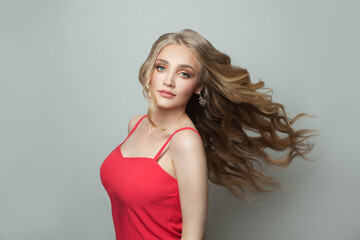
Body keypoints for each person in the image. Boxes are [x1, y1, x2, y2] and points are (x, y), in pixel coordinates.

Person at [100, 29, 316, 240]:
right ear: (150, 72)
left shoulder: (185, 142)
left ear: (198, 86)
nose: (169, 81)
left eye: (184, 74)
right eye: (161, 68)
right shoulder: (136, 124)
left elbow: (193, 235)